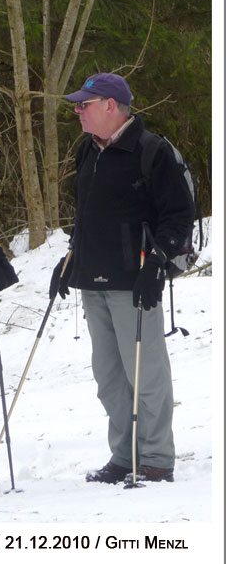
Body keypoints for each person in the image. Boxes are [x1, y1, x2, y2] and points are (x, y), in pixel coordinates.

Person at [50, 73, 194, 484]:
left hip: (135, 282)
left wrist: (158, 264)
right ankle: (125, 454)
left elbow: (178, 216)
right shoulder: (87, 151)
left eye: (85, 105)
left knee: (145, 374)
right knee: (109, 376)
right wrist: (70, 261)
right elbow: (86, 216)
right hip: (92, 278)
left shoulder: (152, 151)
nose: (77, 111)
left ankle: (155, 458)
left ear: (110, 106)